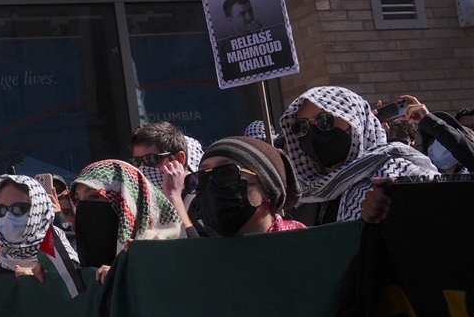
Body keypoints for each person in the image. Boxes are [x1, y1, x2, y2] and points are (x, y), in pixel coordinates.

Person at [279, 86, 438, 225]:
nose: (313, 133)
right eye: (302, 126)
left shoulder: (395, 174)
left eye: (325, 120)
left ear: (356, 123)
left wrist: (400, 201)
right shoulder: (304, 196)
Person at [166, 136, 305, 236]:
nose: (211, 184)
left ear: (269, 188)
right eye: (202, 177)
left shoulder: (304, 248)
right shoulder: (203, 259)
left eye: (226, 173)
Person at [69, 159, 182, 282]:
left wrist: (122, 276)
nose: (84, 208)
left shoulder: (161, 247)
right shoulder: (80, 249)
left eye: (94, 197)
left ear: (126, 199)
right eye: (78, 201)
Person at [0, 174, 78, 279]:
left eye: (19, 208)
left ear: (39, 211)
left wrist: (39, 281)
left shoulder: (66, 262)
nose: (8, 217)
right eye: (0, 209)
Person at [128, 122, 203, 196]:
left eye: (151, 159)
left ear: (179, 159)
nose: (142, 168)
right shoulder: (136, 199)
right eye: (137, 161)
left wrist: (172, 193)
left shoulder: (201, 196)